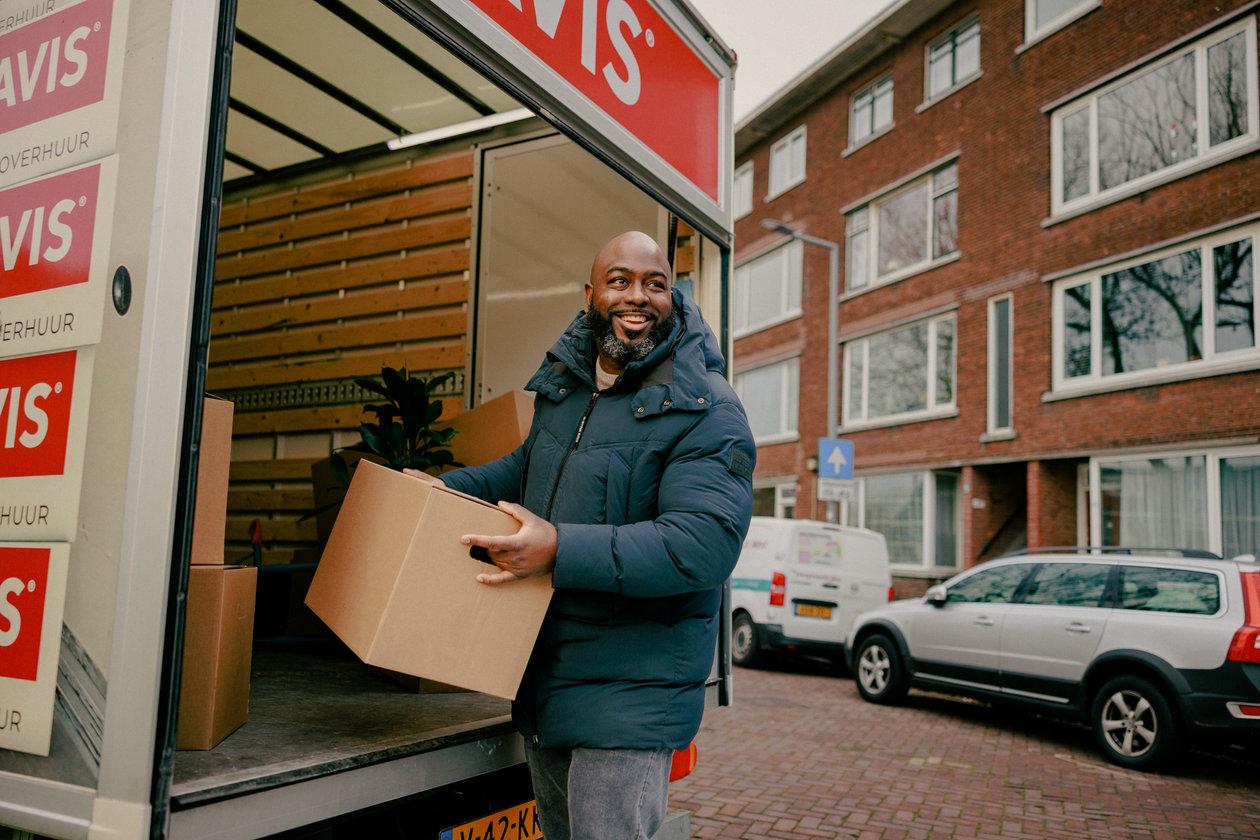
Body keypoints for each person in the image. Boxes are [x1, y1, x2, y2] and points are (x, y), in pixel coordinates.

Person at [409, 230, 755, 840]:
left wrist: (559, 550)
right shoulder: (568, 391)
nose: (637, 297)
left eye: (655, 284)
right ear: (591, 293)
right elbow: (527, 469)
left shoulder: (707, 407)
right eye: (620, 281)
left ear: (672, 297)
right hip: (551, 680)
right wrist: (439, 489)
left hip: (632, 699)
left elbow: (701, 545)